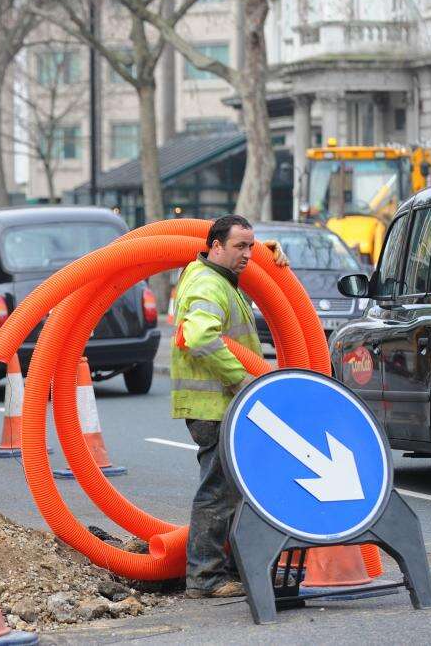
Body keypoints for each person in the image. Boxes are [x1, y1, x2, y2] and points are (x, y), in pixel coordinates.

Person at [172, 215, 288, 599]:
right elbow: (200, 336)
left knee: (239, 490)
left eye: (251, 246)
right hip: (215, 406)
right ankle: (205, 578)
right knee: (219, 491)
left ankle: (242, 568)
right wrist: (241, 379)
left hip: (225, 405)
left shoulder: (218, 276)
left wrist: (269, 253)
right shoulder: (208, 283)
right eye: (240, 247)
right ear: (215, 246)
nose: (248, 254)